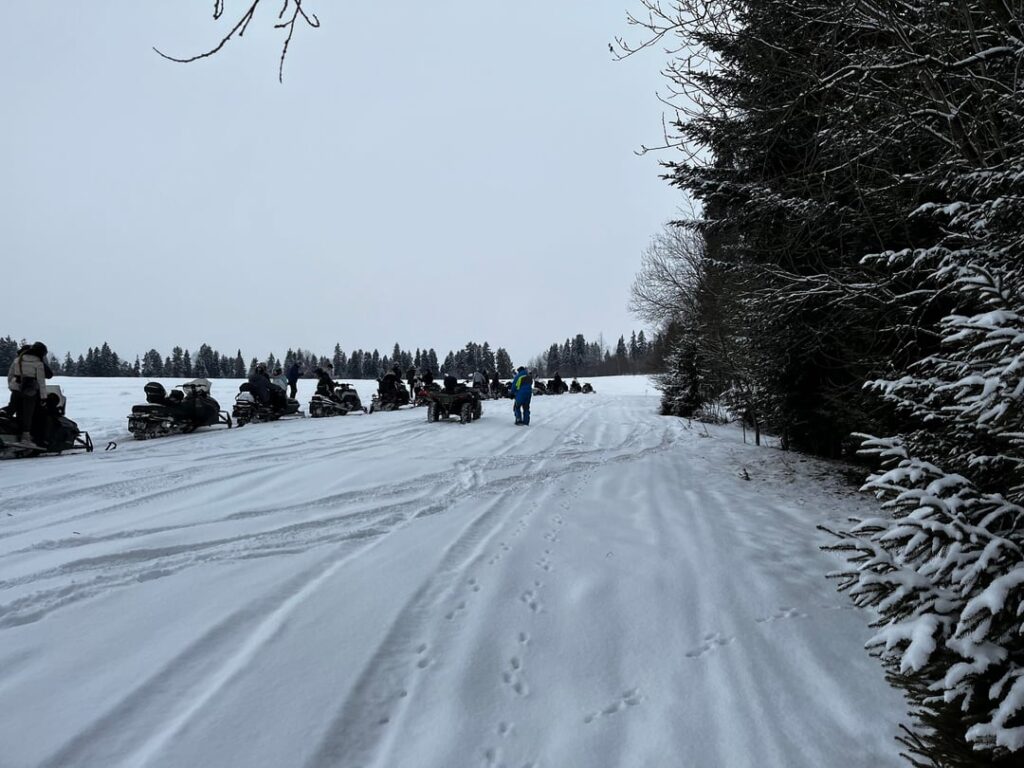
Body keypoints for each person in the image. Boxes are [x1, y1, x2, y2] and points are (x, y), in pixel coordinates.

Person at [6, 341, 49, 449]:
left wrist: (12, 387)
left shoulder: (18, 359)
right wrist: (43, 397)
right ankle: (25, 438)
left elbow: (10, 375)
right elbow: (41, 381)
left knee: (11, 409)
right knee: (27, 415)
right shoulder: (38, 363)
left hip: (16, 388)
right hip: (30, 392)